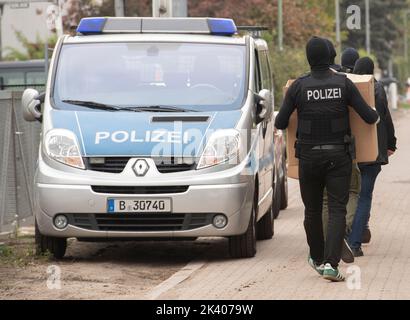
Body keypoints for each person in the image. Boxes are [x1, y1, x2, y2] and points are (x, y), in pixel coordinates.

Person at [275, 37, 379, 282]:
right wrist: (375, 112)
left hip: (308, 158)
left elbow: (280, 122)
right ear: (330, 57)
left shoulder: (298, 87)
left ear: (309, 59)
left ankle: (317, 257)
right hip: (338, 158)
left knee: (311, 211)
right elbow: (368, 117)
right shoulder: (343, 84)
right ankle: (331, 265)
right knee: (336, 211)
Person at [348, 57, 397, 257]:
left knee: (349, 195)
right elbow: (385, 118)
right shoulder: (377, 89)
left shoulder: (347, 87)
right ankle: (355, 244)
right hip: (373, 153)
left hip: (350, 153)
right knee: (364, 197)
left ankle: (343, 236)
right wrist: (391, 144)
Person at [322, 40, 360, 264]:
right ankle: (341, 233)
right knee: (353, 191)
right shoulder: (349, 82)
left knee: (324, 201)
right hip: (346, 150)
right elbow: (368, 115)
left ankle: (326, 243)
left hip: (312, 152)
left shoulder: (304, 81)